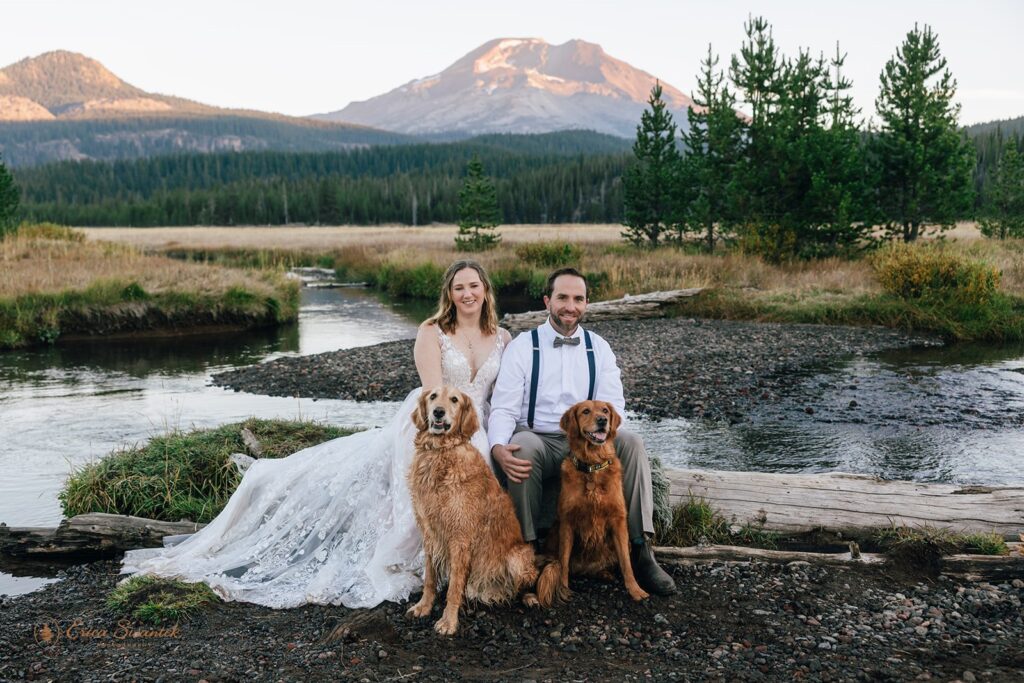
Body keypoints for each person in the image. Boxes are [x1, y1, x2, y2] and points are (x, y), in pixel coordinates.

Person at [121, 260, 511, 609]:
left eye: (474, 286)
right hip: (437, 423)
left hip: (477, 423)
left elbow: (504, 394)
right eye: (459, 287)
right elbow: (433, 396)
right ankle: (422, 566)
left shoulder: (503, 337)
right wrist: (451, 435)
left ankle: (471, 567)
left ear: (485, 290)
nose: (467, 293)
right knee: (415, 503)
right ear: (449, 293)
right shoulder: (432, 331)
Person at [487, 267, 676, 596]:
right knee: (520, 447)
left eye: (578, 299)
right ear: (548, 301)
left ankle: (641, 550)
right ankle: (527, 552)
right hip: (541, 439)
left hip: (587, 440)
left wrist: (598, 439)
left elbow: (614, 406)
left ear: (587, 304)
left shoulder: (598, 348)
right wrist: (497, 448)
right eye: (562, 297)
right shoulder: (522, 347)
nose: (569, 306)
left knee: (631, 442)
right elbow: (504, 408)